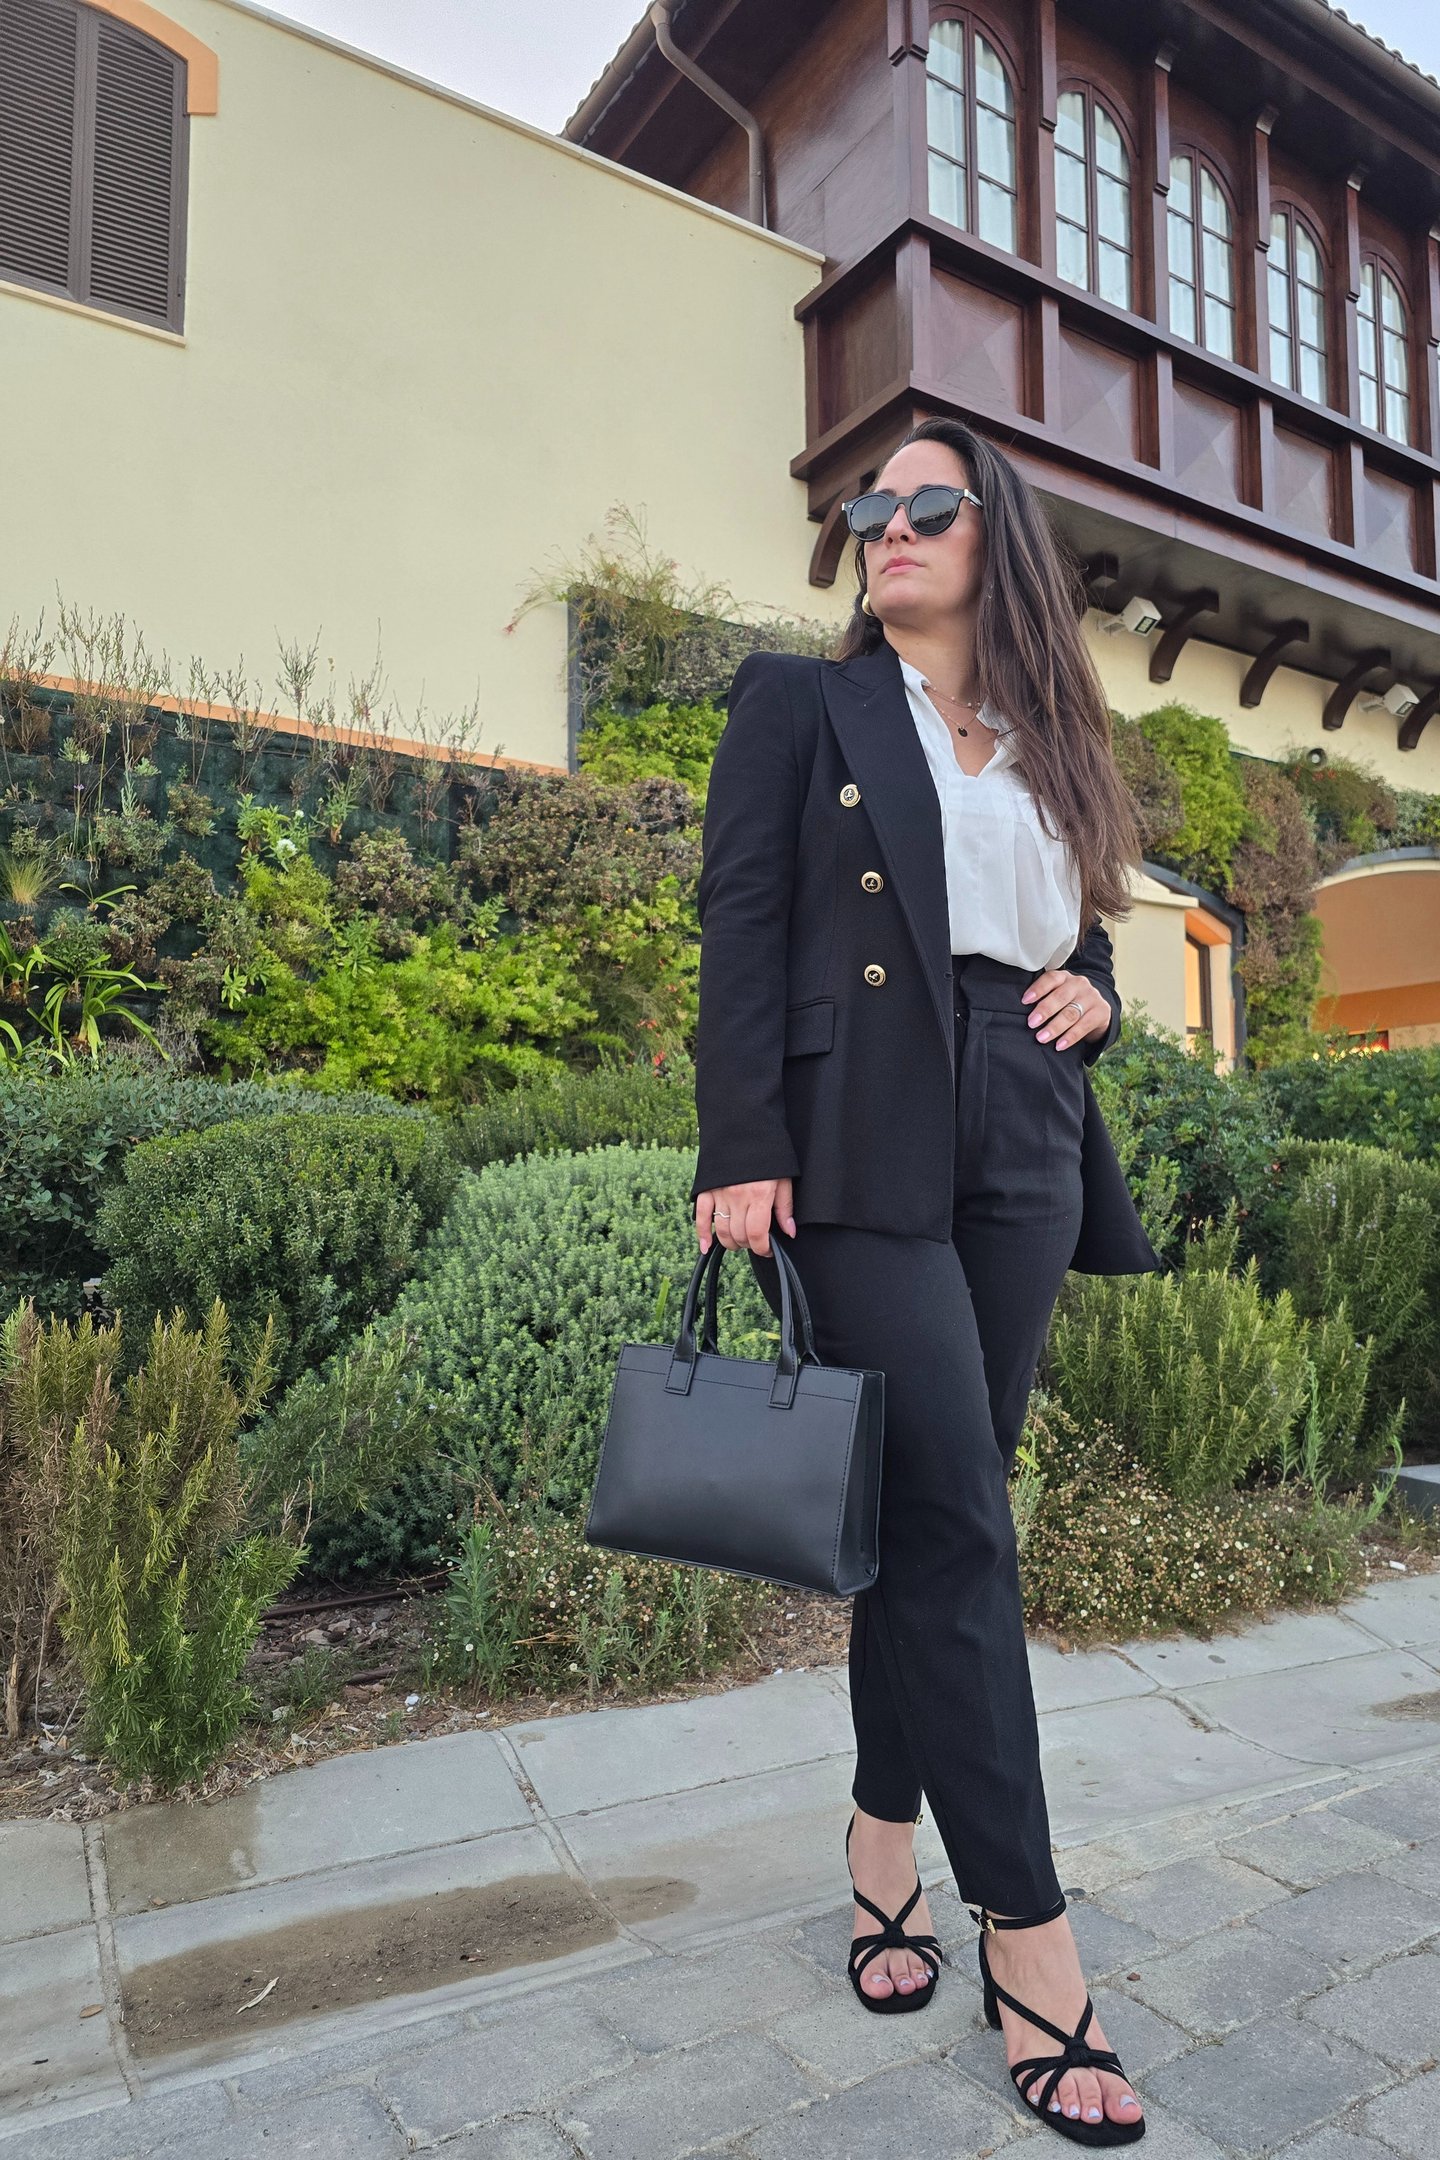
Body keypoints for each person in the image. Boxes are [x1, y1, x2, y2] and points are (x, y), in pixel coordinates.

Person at [688, 416, 1164, 2145]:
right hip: (859, 1128)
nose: (888, 523)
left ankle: (881, 1833)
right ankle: (1029, 1937)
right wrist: (740, 1140)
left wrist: (1099, 988)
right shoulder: (799, 706)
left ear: (993, 536)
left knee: (934, 1509)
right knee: (960, 1518)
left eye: (925, 503)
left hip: (1026, 1121)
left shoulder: (1053, 735)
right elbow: (743, 924)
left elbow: (1076, 919)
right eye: (868, 506)